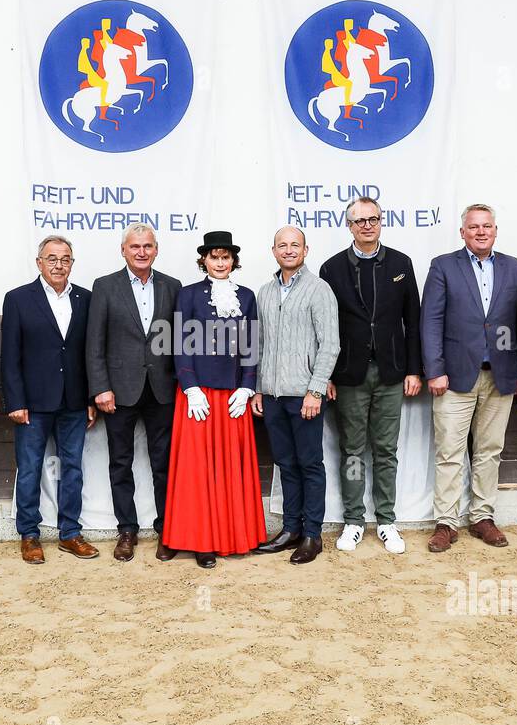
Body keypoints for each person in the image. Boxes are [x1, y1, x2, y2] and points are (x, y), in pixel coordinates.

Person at [422, 204, 517, 553]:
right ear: (463, 232)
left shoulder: (515, 269)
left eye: (487, 226)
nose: (481, 232)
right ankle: (446, 522)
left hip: (500, 376)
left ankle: (482, 517)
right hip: (454, 377)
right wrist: (435, 369)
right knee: (449, 452)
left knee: (489, 451)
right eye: (474, 227)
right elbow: (431, 321)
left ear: (496, 230)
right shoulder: (443, 266)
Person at [319, 196, 422, 554]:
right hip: (348, 375)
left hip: (392, 373)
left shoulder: (400, 263)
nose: (367, 225)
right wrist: (325, 376)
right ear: (349, 226)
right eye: (360, 221)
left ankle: (388, 521)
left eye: (373, 219)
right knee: (351, 451)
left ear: (381, 222)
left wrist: (413, 369)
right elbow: (325, 328)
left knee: (385, 450)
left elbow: (414, 320)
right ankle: (352, 520)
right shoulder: (331, 269)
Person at [162, 231, 266, 568]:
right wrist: (190, 387)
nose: (220, 263)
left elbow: (251, 346)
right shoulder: (189, 295)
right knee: (198, 471)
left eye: (225, 257)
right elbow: (179, 343)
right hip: (199, 396)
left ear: (233, 261)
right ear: (204, 260)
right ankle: (202, 541)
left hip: (232, 396)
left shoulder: (247, 297)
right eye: (214, 257)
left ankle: (233, 535)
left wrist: (247, 386)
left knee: (229, 469)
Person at [86, 224, 182, 562]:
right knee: (120, 463)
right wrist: (100, 388)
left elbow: (180, 342)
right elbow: (94, 342)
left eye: (147, 246)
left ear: (156, 249)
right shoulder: (105, 286)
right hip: (118, 392)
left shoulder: (172, 286)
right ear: (123, 250)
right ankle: (126, 529)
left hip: (162, 391)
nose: (141, 252)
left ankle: (167, 529)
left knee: (164, 465)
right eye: (134, 247)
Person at [0, 236, 97, 564]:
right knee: (29, 469)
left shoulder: (86, 299)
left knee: (73, 468)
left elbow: (88, 353)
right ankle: (29, 535)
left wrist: (90, 399)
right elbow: (10, 355)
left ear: (72, 263)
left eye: (65, 259)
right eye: (52, 258)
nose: (59, 265)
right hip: (33, 403)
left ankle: (70, 533)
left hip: (74, 401)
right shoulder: (17, 299)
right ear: (39, 262)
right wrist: (15, 400)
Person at [251, 227, 340, 564]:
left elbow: (330, 345)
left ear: (306, 249)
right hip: (273, 397)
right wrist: (259, 387)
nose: (289, 250)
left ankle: (312, 535)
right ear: (273, 251)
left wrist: (316, 390)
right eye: (282, 245)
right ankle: (291, 529)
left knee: (309, 464)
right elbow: (258, 344)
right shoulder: (264, 292)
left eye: (295, 245)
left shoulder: (319, 290)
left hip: (305, 396)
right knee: (285, 464)